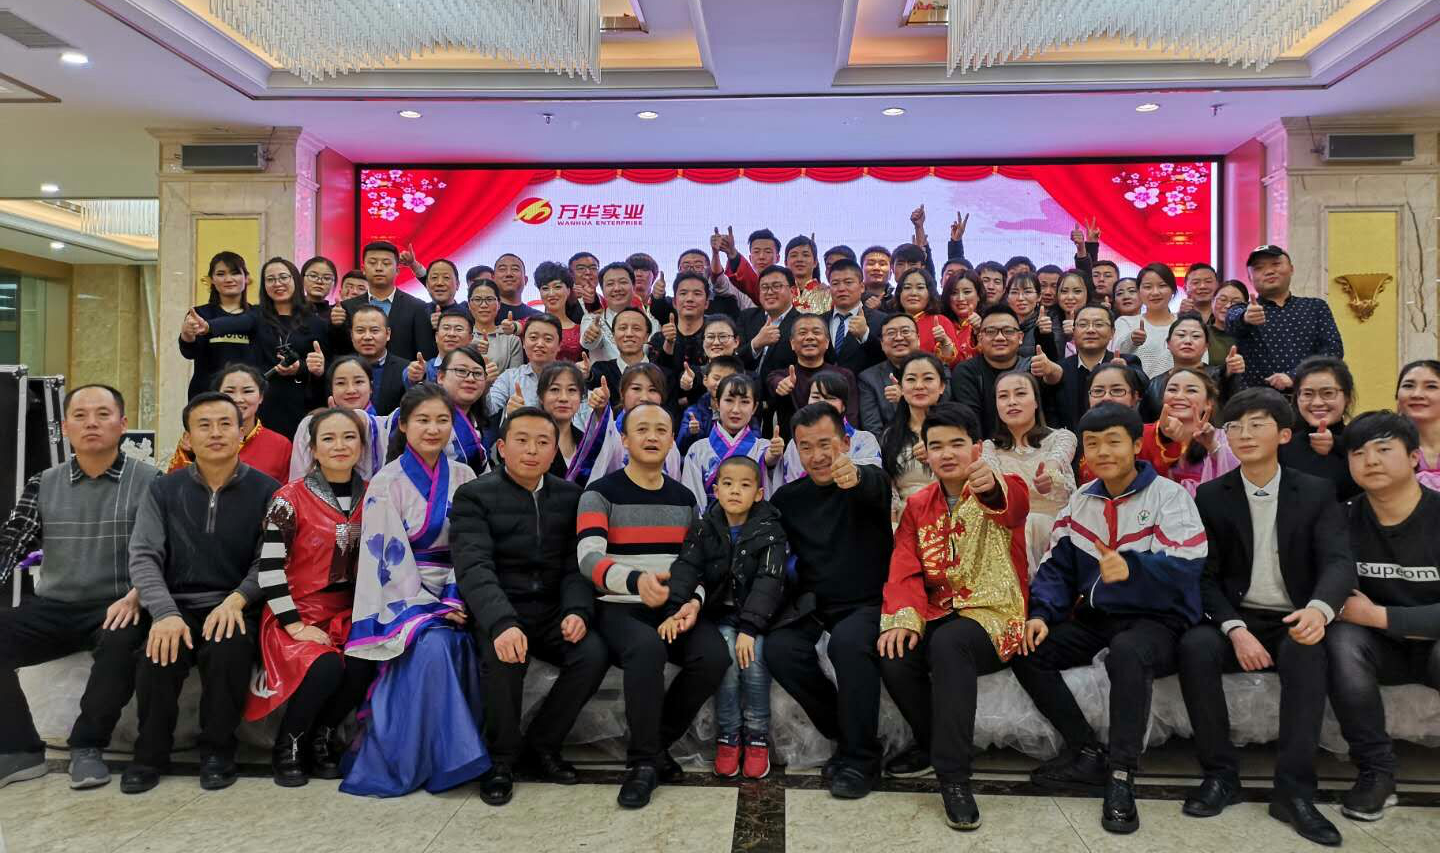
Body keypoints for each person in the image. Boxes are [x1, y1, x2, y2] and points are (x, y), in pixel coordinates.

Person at [1013, 402, 1206, 835]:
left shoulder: (1169, 496)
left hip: (1157, 619)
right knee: (1026, 649)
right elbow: (1057, 568)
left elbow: (1188, 565)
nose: (1103, 451)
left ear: (1137, 445)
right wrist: (1041, 613)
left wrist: (1134, 568)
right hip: (1099, 616)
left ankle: (1121, 773)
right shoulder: (1081, 500)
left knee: (1127, 652)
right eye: (1093, 443)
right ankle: (1086, 752)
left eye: (1113, 441)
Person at [1176, 388, 1352, 846]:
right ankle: (1220, 776)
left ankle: (1293, 793)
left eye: (1257, 424)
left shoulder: (1315, 491)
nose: (1245, 434)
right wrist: (1234, 629)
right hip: (1239, 615)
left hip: (1296, 615)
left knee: (1307, 654)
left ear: (1284, 435)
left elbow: (1338, 561)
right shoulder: (1212, 496)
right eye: (1235, 426)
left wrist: (1320, 609)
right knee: (1195, 647)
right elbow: (1204, 575)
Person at [878, 403, 1030, 830]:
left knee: (949, 644)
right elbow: (905, 566)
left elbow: (1013, 506)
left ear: (976, 447)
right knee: (894, 652)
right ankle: (931, 742)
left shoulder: (1003, 485)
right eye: (937, 445)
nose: (947, 454)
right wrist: (904, 617)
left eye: (957, 444)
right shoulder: (917, 505)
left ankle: (954, 779)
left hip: (994, 614)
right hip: (937, 611)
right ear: (925, 452)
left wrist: (991, 485)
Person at [449, 406, 610, 806]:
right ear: (502, 447)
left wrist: (577, 610)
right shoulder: (474, 496)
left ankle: (542, 745)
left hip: (552, 609)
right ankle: (500, 760)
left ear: (555, 450)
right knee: (503, 660)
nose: (532, 451)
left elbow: (576, 564)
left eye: (543, 442)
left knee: (592, 653)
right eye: (521, 441)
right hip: (502, 607)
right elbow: (474, 566)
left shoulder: (571, 497)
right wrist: (501, 622)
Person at [122, 392, 281, 794]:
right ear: (188, 438)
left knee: (229, 648)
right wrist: (164, 613)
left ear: (242, 432)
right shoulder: (163, 490)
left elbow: (271, 559)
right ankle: (150, 753)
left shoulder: (268, 491)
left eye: (225, 424)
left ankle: (218, 752)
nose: (215, 433)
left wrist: (238, 599)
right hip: (175, 604)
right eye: (204, 426)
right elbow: (144, 556)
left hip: (235, 604)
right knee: (158, 653)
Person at [0, 385, 158, 790]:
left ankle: (88, 746)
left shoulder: (150, 481)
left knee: (121, 643)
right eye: (81, 415)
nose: (91, 423)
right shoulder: (44, 482)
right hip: (53, 606)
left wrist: (140, 594)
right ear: (65, 427)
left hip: (118, 604)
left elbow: (164, 549)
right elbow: (13, 541)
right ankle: (19, 750)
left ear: (123, 424)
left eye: (103, 414)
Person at [578, 402, 729, 808]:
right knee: (646, 649)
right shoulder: (599, 494)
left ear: (671, 441)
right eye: (641, 429)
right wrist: (636, 581)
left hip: (672, 604)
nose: (652, 437)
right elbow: (588, 559)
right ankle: (643, 763)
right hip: (618, 604)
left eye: (661, 430)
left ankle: (657, 743)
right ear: (625, 441)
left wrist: (693, 601)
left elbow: (695, 564)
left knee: (713, 656)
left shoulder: (684, 499)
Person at [342, 383, 490, 797]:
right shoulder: (385, 482)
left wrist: (456, 596)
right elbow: (385, 557)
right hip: (404, 597)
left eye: (442, 420)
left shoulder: (464, 476)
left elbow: (473, 545)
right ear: (404, 425)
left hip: (460, 588)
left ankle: (459, 751)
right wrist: (433, 609)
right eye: (423, 420)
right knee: (434, 645)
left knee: (470, 641)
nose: (433, 428)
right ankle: (443, 758)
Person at [246, 408, 376, 787]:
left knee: (363, 662)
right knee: (325, 665)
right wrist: (296, 626)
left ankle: (323, 736)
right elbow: (270, 570)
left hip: (347, 613)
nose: (340, 446)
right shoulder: (289, 498)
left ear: (362, 446)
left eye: (349, 437)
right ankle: (289, 744)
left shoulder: (375, 495)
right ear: (314, 449)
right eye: (328, 439)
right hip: (293, 611)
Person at [766, 403, 891, 798]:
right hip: (815, 605)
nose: (817, 456)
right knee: (780, 649)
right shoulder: (788, 498)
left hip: (868, 602)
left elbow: (873, 485)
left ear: (846, 443)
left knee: (848, 645)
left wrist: (855, 476)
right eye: (806, 447)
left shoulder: (870, 482)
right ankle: (845, 731)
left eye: (826, 444)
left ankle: (861, 760)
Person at [1325, 410, 1440, 822]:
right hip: (1378, 649)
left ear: (1414, 457)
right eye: (1358, 453)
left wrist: (1378, 615)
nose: (1370, 460)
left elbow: (1364, 611)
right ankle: (1376, 771)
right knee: (1341, 641)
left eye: (1384, 449)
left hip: (1433, 646)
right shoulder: (1342, 519)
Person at [660, 455, 788, 779]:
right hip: (717, 615)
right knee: (727, 659)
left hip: (757, 617)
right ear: (715, 490)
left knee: (754, 657)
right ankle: (729, 735)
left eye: (745, 485)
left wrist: (750, 627)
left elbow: (769, 581)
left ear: (758, 493)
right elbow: (687, 568)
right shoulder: (704, 527)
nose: (734, 491)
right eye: (727, 484)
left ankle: (756, 735)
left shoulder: (771, 529)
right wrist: (676, 608)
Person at [984, 371, 1077, 572]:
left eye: (1020, 393)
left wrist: (1049, 476)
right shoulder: (989, 448)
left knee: (1034, 522)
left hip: (1056, 533)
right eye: (1003, 396)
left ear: (1036, 402)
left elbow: (1057, 459)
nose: (1012, 402)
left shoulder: (1062, 437)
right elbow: (995, 489)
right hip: (1009, 538)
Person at [1227, 245, 1344, 390]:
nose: (1269, 271)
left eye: (1276, 264)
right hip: (1257, 398)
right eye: (1259, 268)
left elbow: (1333, 351)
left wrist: (1295, 376)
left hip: (1308, 395)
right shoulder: (1241, 309)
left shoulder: (1316, 307)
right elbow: (1232, 320)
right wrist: (1245, 317)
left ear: (1291, 269)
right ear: (1250, 278)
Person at [168, 364, 291, 484]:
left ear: (261, 397)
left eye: (247, 391)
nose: (238, 399)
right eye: (229, 391)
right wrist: (190, 455)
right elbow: (174, 487)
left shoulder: (280, 445)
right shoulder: (198, 439)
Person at [251, 257, 330, 438]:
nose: (277, 283)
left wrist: (303, 367)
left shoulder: (316, 323)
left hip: (303, 404)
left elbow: (327, 368)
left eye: (283, 277)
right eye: (270, 279)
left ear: (295, 279)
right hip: (264, 403)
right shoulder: (255, 317)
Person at [682, 373, 780, 508]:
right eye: (729, 400)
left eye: (744, 402)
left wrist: (773, 458)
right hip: (709, 520)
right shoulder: (697, 450)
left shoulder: (764, 448)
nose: (736, 409)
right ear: (717, 404)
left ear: (754, 407)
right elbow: (694, 500)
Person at [289, 355, 392, 481]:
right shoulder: (311, 424)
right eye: (341, 383)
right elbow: (299, 477)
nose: (351, 390)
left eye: (358, 382)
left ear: (371, 387)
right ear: (331, 389)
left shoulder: (386, 427)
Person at [335, 241, 436, 362]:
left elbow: (425, 356)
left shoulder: (417, 307)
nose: (379, 268)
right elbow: (340, 351)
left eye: (386, 263)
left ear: (397, 270)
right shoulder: (347, 307)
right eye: (372, 263)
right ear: (363, 269)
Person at [777, 370, 882, 486]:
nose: (822, 403)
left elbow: (874, 481)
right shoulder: (796, 443)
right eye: (815, 396)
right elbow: (790, 484)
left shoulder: (865, 440)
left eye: (830, 398)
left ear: (844, 405)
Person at [765, 314, 860, 442]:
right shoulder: (780, 376)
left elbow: (851, 417)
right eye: (802, 333)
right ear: (792, 343)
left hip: (837, 444)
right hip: (795, 447)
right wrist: (781, 385)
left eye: (816, 332)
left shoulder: (844, 376)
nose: (809, 337)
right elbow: (774, 382)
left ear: (827, 342)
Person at [1053, 304, 1147, 431]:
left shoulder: (1127, 362)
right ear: (1073, 332)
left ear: (1112, 332)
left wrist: (1126, 374)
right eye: (1083, 325)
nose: (1090, 330)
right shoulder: (1060, 369)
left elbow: (1144, 388)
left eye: (1098, 324)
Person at [179, 251, 259, 399]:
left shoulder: (257, 314)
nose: (228, 279)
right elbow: (189, 353)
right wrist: (187, 335)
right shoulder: (199, 314)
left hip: (246, 398)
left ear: (246, 278)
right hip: (206, 395)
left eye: (235, 273)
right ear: (212, 280)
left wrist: (208, 327)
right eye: (221, 274)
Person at [1279, 356, 1360, 501]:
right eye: (1307, 394)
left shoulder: (1362, 443)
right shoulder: (1282, 446)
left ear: (1347, 397)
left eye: (1328, 393)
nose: (1317, 402)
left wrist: (1337, 445)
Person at [880, 353, 948, 522]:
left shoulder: (956, 429)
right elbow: (889, 490)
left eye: (928, 379)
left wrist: (936, 455)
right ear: (901, 387)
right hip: (906, 520)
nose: (919, 386)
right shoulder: (891, 434)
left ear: (942, 386)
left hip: (949, 516)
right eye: (911, 379)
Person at [587, 364, 683, 481]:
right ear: (622, 393)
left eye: (653, 390)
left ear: (662, 397)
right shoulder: (611, 434)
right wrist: (601, 411)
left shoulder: (668, 443)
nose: (644, 397)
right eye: (636, 389)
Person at [1139, 313, 1243, 421]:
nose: (1188, 341)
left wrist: (1231, 373)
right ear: (1168, 343)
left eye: (1196, 336)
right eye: (1181, 335)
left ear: (1207, 346)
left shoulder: (1220, 376)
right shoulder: (1154, 385)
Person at [951, 305, 1029, 439]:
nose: (1000, 337)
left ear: (1020, 337)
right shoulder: (966, 372)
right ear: (980, 338)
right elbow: (971, 423)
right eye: (991, 331)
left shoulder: (1032, 368)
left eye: (1008, 331)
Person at [1160, 367, 1238, 495]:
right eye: (1172, 390)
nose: (1179, 396)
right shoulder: (1149, 435)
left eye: (1191, 390)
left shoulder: (1227, 438)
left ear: (1208, 403)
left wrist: (1212, 446)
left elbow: (1238, 478)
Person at [537, 362, 612, 486]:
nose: (563, 398)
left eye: (572, 390)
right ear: (541, 396)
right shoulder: (531, 441)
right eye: (555, 389)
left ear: (581, 397)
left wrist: (601, 411)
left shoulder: (586, 443)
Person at [488, 313, 567, 417]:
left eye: (548, 339)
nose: (540, 344)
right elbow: (488, 409)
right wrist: (485, 386)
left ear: (559, 345)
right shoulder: (510, 377)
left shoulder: (570, 378)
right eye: (533, 337)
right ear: (524, 343)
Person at [738, 264, 802, 390]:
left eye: (777, 286)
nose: (769, 292)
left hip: (783, 393)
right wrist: (755, 344)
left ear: (793, 291)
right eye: (764, 287)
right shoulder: (746, 317)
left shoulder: (802, 323)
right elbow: (734, 357)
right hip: (744, 393)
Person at [1113, 263, 1182, 378]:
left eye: (1162, 286)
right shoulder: (1125, 322)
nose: (1155, 292)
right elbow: (1116, 353)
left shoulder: (1185, 323)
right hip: (1138, 387)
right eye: (1148, 287)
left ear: (1173, 290)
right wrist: (1131, 339)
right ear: (1139, 292)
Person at [857, 313, 919, 436]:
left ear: (918, 338)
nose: (899, 338)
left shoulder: (938, 370)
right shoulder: (868, 378)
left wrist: (906, 399)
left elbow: (943, 413)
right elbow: (873, 430)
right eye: (891, 333)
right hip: (890, 445)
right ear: (882, 343)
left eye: (905, 331)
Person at [436, 345, 494, 474]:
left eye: (477, 373)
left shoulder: (478, 420)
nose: (470, 379)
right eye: (461, 371)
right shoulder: (420, 414)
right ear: (441, 377)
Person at [823, 259, 887, 375]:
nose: (841, 288)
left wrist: (865, 335)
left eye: (848, 282)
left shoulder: (881, 320)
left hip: (863, 385)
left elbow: (887, 358)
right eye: (835, 284)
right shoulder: (819, 321)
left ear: (862, 287)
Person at [581, 262, 647, 364]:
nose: (617, 289)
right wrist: (591, 336)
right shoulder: (592, 319)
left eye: (623, 282)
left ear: (633, 286)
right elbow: (588, 344)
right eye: (610, 284)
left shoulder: (648, 319)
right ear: (602, 290)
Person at [896, 268, 963, 367]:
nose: (913, 293)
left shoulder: (941, 321)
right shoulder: (892, 322)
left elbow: (956, 363)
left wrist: (945, 342)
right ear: (899, 293)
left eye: (920, 287)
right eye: (907, 287)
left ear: (929, 293)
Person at [678, 356, 744, 456]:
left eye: (727, 379)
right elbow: (680, 448)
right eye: (716, 378)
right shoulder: (693, 412)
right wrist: (691, 433)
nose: (720, 383)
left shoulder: (743, 412)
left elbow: (753, 444)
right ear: (705, 380)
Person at [349, 305, 407, 416]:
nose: (367, 337)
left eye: (374, 331)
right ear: (351, 335)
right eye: (360, 331)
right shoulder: (341, 368)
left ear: (388, 334)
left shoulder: (405, 370)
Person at [404, 306, 478, 387]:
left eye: (458, 329)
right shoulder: (424, 369)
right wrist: (416, 377)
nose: (451, 334)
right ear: (436, 336)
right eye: (446, 328)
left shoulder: (477, 370)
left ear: (470, 338)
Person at [1395, 359, 1440, 489]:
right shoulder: (1385, 445)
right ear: (1397, 397)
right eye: (1408, 386)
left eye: (1431, 387)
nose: (1417, 394)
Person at [588, 307, 653, 396]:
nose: (629, 334)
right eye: (623, 328)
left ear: (647, 337)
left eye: (636, 328)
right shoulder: (601, 370)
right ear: (613, 336)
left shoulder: (662, 373)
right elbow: (590, 382)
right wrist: (586, 375)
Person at [468, 279, 524, 374]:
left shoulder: (511, 339)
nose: (484, 305)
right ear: (469, 305)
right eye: (477, 299)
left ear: (499, 304)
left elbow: (515, 379)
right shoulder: (462, 336)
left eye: (489, 299)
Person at [532, 261, 584, 363]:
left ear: (568, 291)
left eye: (557, 287)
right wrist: (512, 326)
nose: (551, 294)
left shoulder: (581, 329)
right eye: (545, 288)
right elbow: (517, 326)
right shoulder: (531, 323)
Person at [939, 268, 982, 362]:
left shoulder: (990, 321)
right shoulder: (940, 324)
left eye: (967, 292)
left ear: (978, 295)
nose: (960, 298)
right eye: (954, 293)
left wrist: (980, 330)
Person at [1207, 280, 1248, 365]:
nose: (1228, 306)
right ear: (1212, 302)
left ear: (1246, 305)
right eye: (1222, 300)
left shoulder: (1251, 335)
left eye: (1236, 302)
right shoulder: (1201, 333)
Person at [493, 253, 539, 323]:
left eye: (515, 269)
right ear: (493, 279)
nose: (509, 274)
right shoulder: (482, 313)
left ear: (525, 280)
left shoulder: (538, 318)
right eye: (502, 269)